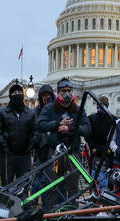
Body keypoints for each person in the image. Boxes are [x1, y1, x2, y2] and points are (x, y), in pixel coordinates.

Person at [37, 78, 90, 206]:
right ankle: (51, 216)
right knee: (52, 186)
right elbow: (40, 125)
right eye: (63, 91)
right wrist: (57, 124)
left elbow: (87, 129)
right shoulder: (49, 108)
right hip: (54, 151)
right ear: (58, 92)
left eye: (69, 90)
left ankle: (71, 216)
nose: (67, 93)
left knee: (73, 187)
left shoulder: (78, 109)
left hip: (73, 151)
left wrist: (71, 128)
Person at [0, 83, 37, 185]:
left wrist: (30, 146)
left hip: (24, 155)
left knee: (24, 185)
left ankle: (24, 201)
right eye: (14, 92)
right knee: (7, 184)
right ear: (10, 95)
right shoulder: (1, 112)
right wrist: (5, 146)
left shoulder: (31, 113)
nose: (17, 94)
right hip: (7, 155)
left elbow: (35, 131)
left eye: (20, 92)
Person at [85, 96, 115, 184]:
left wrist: (111, 149)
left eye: (103, 105)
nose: (100, 107)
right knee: (95, 176)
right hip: (95, 151)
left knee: (108, 176)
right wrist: (92, 147)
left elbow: (114, 135)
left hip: (108, 152)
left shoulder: (113, 119)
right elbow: (87, 135)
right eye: (99, 105)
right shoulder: (91, 118)